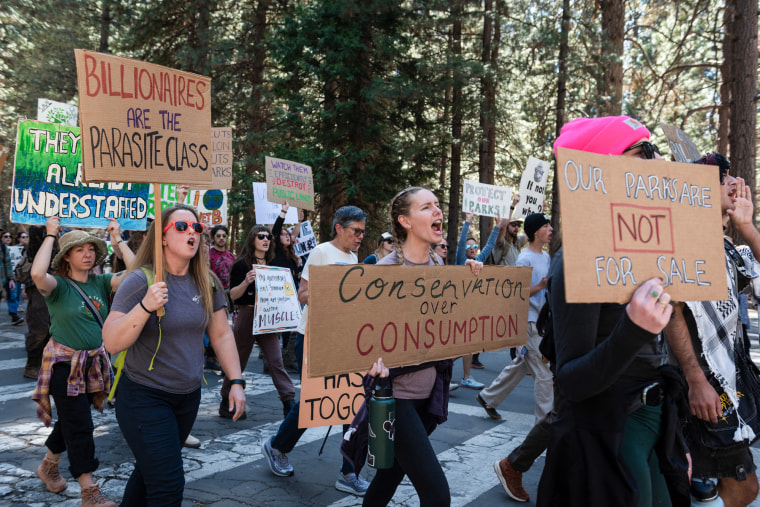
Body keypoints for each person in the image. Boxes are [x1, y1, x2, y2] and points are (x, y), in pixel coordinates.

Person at [536, 116, 689, 507]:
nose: (657, 163)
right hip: (608, 441)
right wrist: (633, 330)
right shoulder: (576, 261)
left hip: (651, 430)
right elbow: (571, 383)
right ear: (602, 172)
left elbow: (657, 359)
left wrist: (675, 440)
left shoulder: (644, 248)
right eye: (645, 153)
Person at [102, 204, 245, 505]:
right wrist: (145, 306)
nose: (192, 232)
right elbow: (112, 342)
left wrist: (236, 381)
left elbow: (221, 334)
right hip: (144, 397)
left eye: (196, 228)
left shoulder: (207, 282)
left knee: (149, 473)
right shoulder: (140, 281)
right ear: (163, 238)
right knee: (167, 484)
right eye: (182, 227)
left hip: (187, 398)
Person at [362, 186, 482, 507]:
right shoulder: (383, 272)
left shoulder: (443, 271)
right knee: (437, 495)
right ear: (405, 221)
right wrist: (371, 360)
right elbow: (360, 337)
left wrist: (472, 284)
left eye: (437, 205)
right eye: (426, 207)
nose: (437, 211)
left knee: (388, 478)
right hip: (393, 398)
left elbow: (456, 327)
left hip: (428, 397)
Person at [665, 154, 760, 507]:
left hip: (731, 385)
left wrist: (748, 228)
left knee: (726, 482)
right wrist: (696, 380)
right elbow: (672, 312)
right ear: (703, 190)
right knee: (743, 487)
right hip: (706, 387)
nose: (735, 184)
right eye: (725, 179)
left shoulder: (727, 249)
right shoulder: (683, 245)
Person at [261, 205, 371, 497]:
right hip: (314, 336)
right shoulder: (322, 252)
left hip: (345, 338)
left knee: (352, 401)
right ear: (338, 227)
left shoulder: (352, 256)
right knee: (315, 402)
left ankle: (349, 471)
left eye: (362, 231)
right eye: (355, 231)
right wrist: (334, 289)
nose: (360, 236)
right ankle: (276, 446)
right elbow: (303, 295)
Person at [31, 216, 134, 506]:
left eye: (91, 249)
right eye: (79, 250)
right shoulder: (58, 286)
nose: (87, 254)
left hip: (93, 366)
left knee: (71, 422)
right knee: (80, 425)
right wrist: (51, 235)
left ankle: (48, 466)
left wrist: (117, 240)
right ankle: (89, 490)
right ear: (66, 257)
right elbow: (38, 274)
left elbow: (138, 273)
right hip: (63, 366)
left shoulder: (101, 282)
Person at [222, 224, 296, 419]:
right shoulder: (241, 265)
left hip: (268, 317)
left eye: (268, 237)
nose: (265, 240)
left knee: (276, 360)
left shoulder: (275, 263)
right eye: (261, 236)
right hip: (247, 314)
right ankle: (226, 400)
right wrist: (246, 281)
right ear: (252, 239)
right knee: (238, 360)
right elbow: (234, 297)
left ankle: (289, 402)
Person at [454, 211, 503, 387]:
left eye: (474, 246)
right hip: (457, 311)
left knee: (468, 345)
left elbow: (489, 246)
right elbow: (460, 244)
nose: (472, 249)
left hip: (471, 310)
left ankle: (466, 377)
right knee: (457, 347)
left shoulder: (480, 260)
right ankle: (441, 372)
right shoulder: (461, 261)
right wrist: (467, 221)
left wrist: (497, 225)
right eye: (469, 247)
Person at [271, 203, 303, 371]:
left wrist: (298, 221)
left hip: (289, 295)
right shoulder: (274, 251)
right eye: (283, 234)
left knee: (289, 327)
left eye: (288, 234)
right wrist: (283, 212)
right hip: (275, 294)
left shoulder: (291, 257)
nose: (287, 235)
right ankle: (271, 359)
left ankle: (285, 355)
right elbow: (275, 231)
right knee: (275, 327)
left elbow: (295, 277)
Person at [17, 227, 48, 380]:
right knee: (40, 328)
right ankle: (32, 365)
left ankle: (44, 363)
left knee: (50, 328)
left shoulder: (61, 233)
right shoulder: (39, 232)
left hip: (53, 284)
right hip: (38, 287)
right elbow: (36, 250)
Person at [1, 230, 22, 325]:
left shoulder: (3, 247)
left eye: (9, 236)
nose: (8, 238)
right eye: (6, 236)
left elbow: (8, 264)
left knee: (12, 295)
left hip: (3, 278)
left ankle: (14, 316)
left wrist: (11, 279)